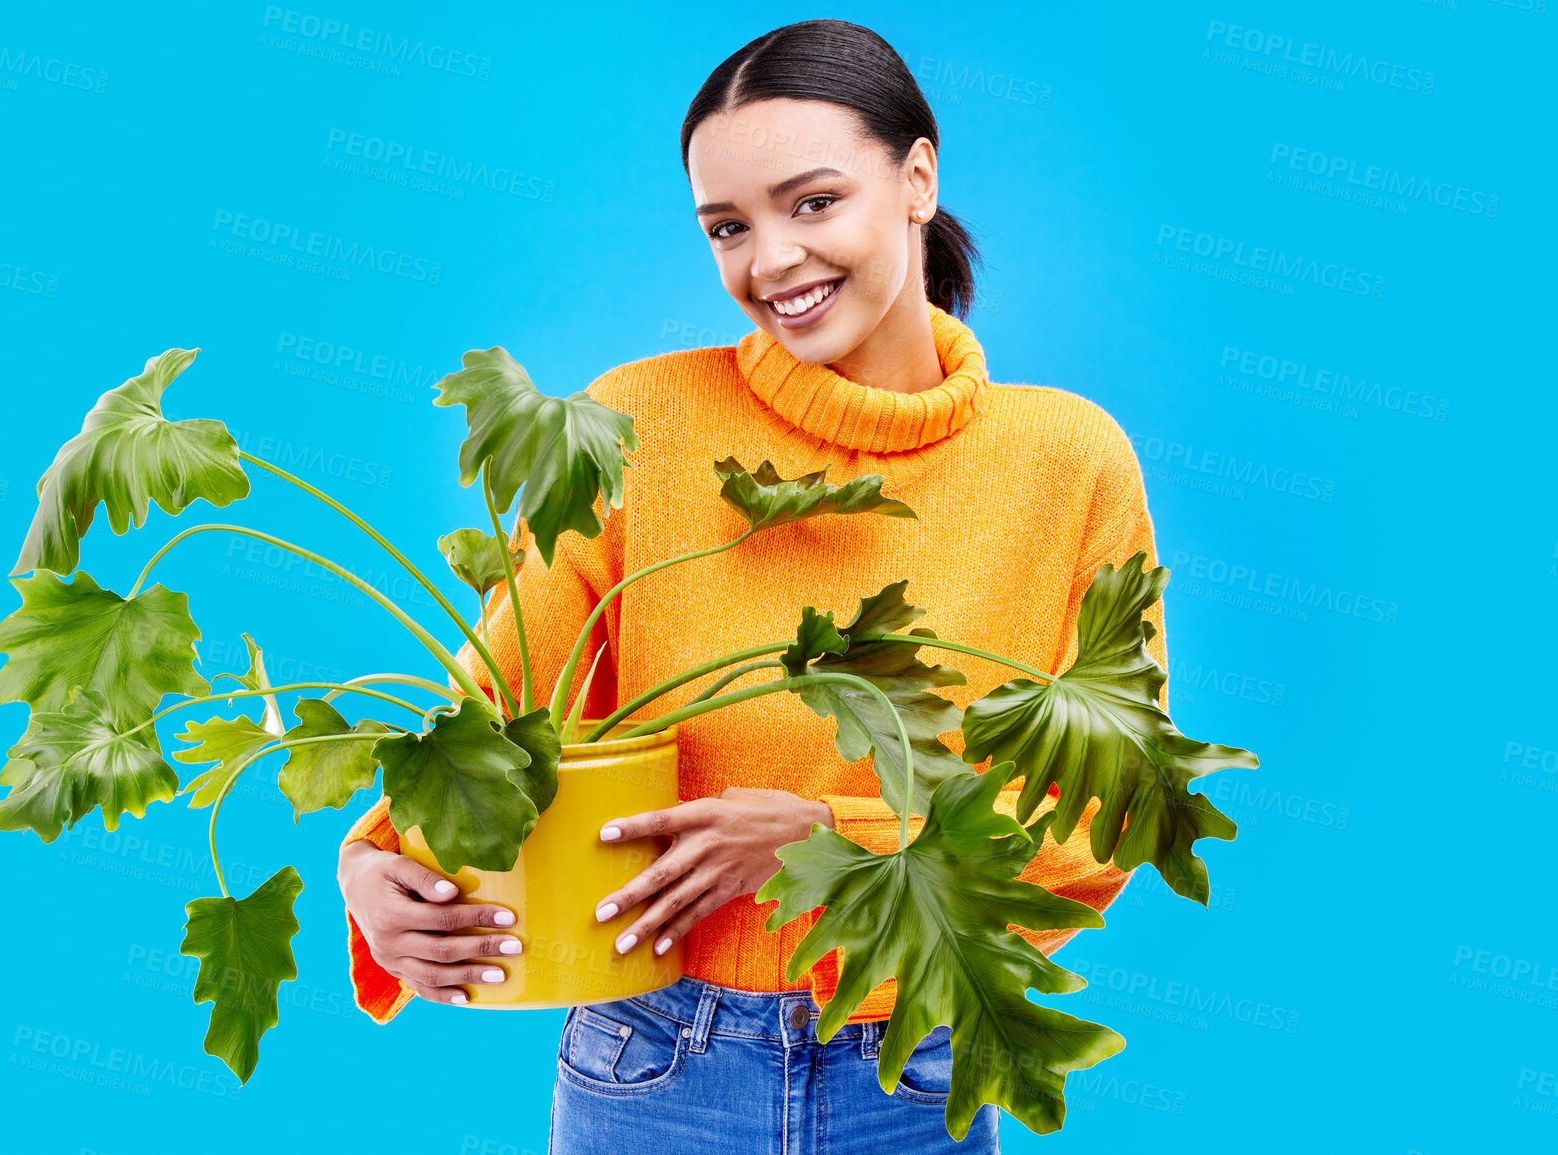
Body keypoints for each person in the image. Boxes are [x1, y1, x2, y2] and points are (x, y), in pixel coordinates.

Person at [337, 18, 1169, 1152]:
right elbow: (501, 706)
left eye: (813, 202)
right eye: (728, 226)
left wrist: (827, 838)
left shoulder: (1068, 462)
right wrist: (377, 858)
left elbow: (1104, 809)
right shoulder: (644, 423)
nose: (770, 261)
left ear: (918, 177)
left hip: (913, 1066)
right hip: (653, 1057)